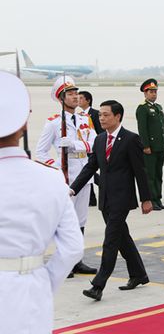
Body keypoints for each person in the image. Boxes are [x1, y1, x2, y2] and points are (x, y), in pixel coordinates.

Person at [0, 71, 83, 333]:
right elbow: (72, 248)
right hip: (32, 288)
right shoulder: (51, 179)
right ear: (25, 123)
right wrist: (42, 280)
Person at [70, 100, 153, 301]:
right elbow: (90, 168)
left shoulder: (131, 139)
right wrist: (73, 189)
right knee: (122, 237)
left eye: (106, 115)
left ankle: (98, 285)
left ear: (118, 116)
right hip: (105, 197)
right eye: (100, 115)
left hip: (122, 198)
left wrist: (146, 198)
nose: (102, 118)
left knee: (111, 240)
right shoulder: (99, 140)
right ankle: (139, 274)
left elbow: (140, 172)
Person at [36, 76, 97, 276]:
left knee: (81, 220)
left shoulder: (84, 119)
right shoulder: (53, 123)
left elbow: (94, 144)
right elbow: (41, 153)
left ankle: (77, 261)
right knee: (65, 223)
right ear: (61, 98)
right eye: (70, 94)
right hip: (66, 177)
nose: (75, 97)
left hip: (84, 175)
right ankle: (64, 262)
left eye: (76, 93)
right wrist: (57, 170)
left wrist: (75, 145)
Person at [136, 78, 164, 211]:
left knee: (158, 174)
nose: (153, 94)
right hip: (150, 148)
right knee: (150, 175)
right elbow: (142, 129)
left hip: (160, 147)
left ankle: (158, 199)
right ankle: (151, 199)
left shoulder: (158, 107)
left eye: (155, 91)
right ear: (145, 93)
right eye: (150, 91)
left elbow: (162, 128)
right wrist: (145, 146)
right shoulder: (142, 109)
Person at [79, 90, 102, 207]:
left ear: (88, 101)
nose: (78, 100)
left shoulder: (95, 114)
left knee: (90, 172)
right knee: (87, 171)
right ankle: (91, 198)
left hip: (95, 148)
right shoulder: (78, 116)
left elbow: (101, 131)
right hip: (84, 149)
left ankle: (104, 184)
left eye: (81, 98)